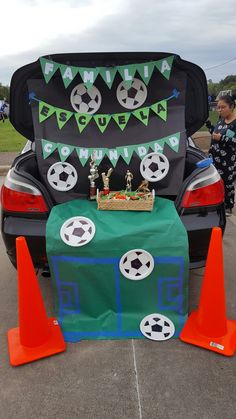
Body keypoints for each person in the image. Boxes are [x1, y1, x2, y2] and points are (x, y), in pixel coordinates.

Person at [207, 95, 236, 215]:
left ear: (232, 107)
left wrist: (222, 138)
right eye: (218, 107)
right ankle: (217, 204)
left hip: (228, 160)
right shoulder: (220, 120)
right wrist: (209, 126)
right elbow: (216, 133)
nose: (220, 110)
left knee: (227, 183)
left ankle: (228, 206)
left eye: (223, 107)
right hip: (215, 157)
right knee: (215, 181)